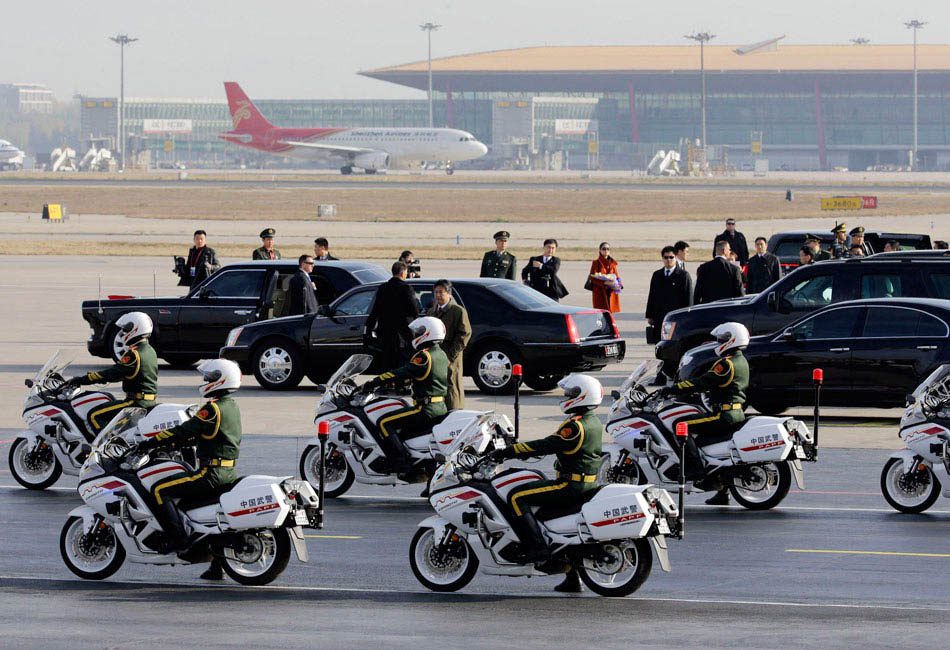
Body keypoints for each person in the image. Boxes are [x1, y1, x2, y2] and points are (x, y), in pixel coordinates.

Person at [490, 374, 603, 566]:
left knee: (517, 497)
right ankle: (571, 576)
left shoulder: (575, 427)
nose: (566, 397)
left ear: (582, 395)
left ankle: (537, 548)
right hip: (586, 483)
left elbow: (546, 444)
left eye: (570, 394)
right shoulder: (592, 421)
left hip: (571, 485)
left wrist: (508, 451)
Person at [135, 359, 242, 556]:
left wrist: (148, 442)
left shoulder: (212, 409)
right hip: (227, 471)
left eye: (210, 377)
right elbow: (205, 435)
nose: (205, 380)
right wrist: (176, 443)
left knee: (159, 490)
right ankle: (216, 566)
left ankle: (179, 540)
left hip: (210, 473)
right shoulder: (231, 406)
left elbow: (183, 430)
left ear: (222, 380)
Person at [664, 322, 750, 506]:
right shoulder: (740, 360)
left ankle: (695, 470)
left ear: (732, 340)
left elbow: (704, 381)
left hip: (724, 415)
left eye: (721, 340)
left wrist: (674, 388)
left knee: (681, 426)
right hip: (734, 412)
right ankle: (722, 491)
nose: (718, 343)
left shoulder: (726, 364)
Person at [362, 317, 448, 472]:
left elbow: (401, 372)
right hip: (439, 406)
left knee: (383, 422)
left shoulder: (424, 356)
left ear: (428, 333)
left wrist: (373, 382)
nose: (415, 335)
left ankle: (399, 460)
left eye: (419, 332)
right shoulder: (440, 354)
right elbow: (422, 377)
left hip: (425, 409)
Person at [65, 312, 158, 435]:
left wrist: (82, 379)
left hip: (136, 403)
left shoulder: (133, 355)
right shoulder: (149, 350)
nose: (124, 333)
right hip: (147, 400)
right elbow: (124, 373)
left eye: (126, 329)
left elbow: (111, 373)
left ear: (136, 328)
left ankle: (103, 449)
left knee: (94, 415)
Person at [646, 247, 692, 382]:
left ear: (676, 258)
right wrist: (650, 315)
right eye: (666, 257)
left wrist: (687, 317)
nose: (668, 260)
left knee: (676, 348)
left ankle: (678, 376)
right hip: (660, 318)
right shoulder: (657, 275)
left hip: (676, 319)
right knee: (660, 348)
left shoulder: (683, 275)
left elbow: (688, 298)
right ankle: (660, 376)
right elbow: (652, 296)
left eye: (671, 257)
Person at [364, 261, 422, 369]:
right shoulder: (406, 288)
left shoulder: (383, 288)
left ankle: (388, 385)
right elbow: (414, 310)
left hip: (385, 334)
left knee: (387, 365)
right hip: (403, 336)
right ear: (402, 273)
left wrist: (369, 327)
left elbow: (375, 310)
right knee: (401, 365)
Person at [426, 279, 472, 410]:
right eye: (436, 292)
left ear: (449, 293)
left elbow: (465, 333)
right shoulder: (432, 312)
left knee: (452, 385)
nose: (438, 295)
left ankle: (455, 411)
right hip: (435, 355)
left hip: (450, 355)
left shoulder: (457, 311)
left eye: (441, 292)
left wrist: (452, 353)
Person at [588, 242, 621, 312]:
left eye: (608, 249)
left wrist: (619, 286)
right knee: (601, 315)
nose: (606, 250)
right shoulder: (596, 263)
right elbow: (592, 278)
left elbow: (617, 277)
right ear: (600, 250)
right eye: (604, 249)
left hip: (611, 292)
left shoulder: (613, 263)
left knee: (610, 315)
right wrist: (605, 282)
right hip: (600, 293)